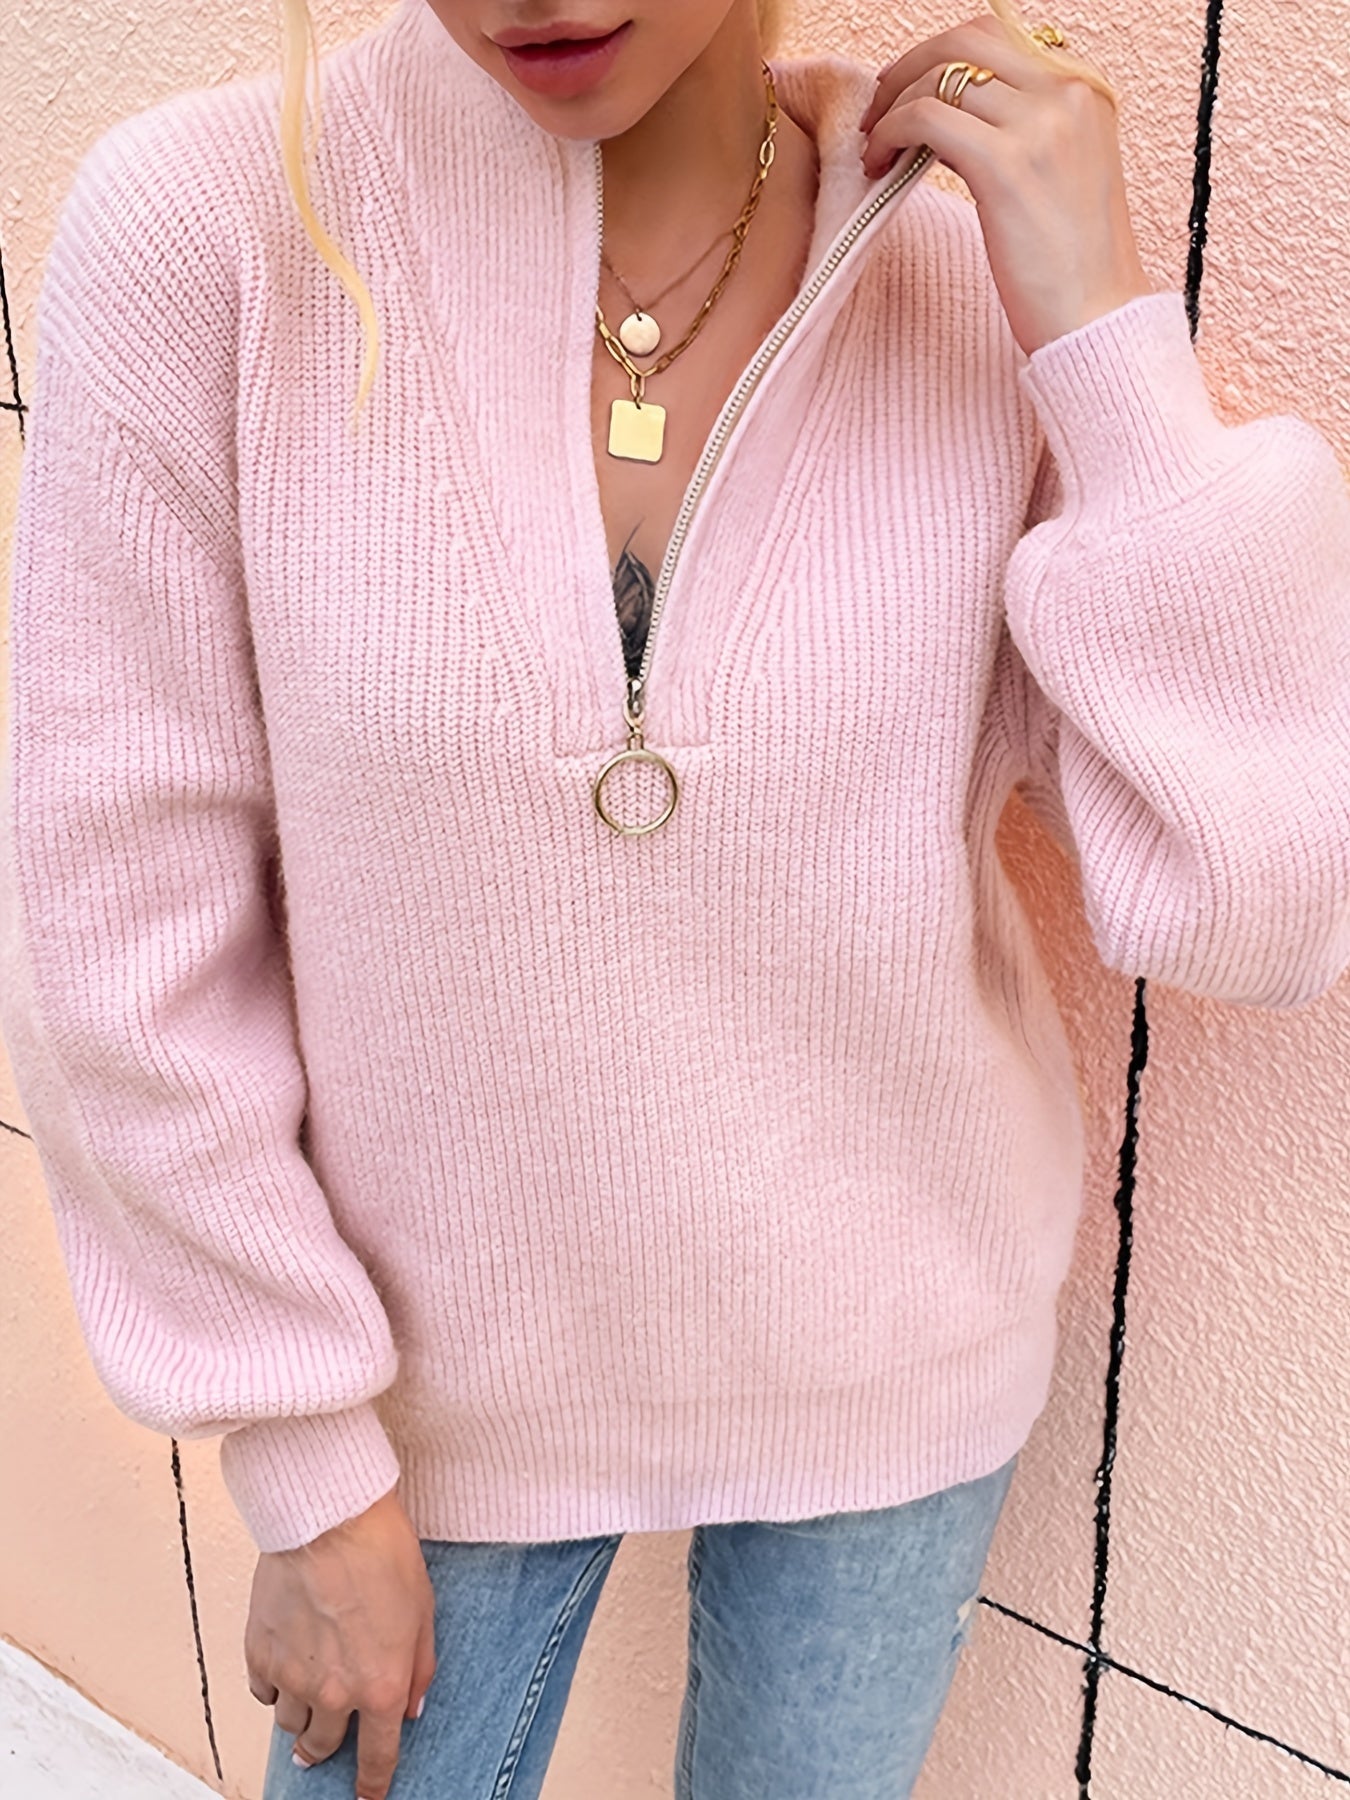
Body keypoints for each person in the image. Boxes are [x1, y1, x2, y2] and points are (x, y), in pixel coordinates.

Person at [4, 0, 1349, 1795]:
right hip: (414, 1401)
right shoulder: (214, 231)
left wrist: (1104, 347)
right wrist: (299, 1448)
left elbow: (1250, 909)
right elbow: (114, 911)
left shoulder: (959, 277)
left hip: (895, 1361)